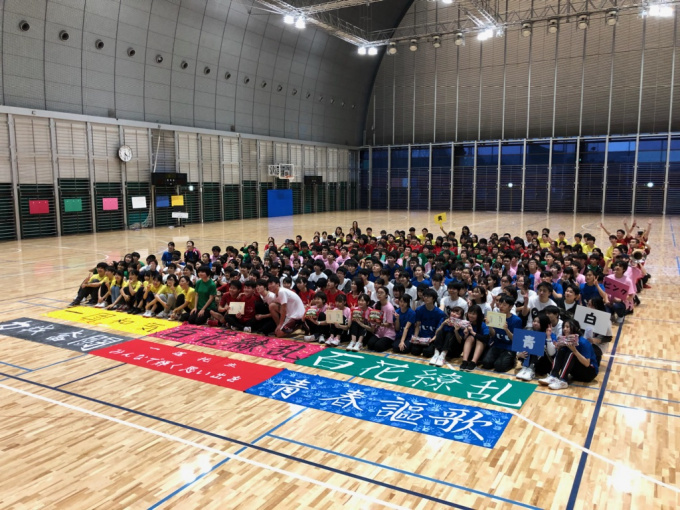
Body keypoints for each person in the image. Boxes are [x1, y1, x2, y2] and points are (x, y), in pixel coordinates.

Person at [538, 318, 600, 390]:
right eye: (564, 327)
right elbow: (561, 358)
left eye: (567, 327)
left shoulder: (583, 342)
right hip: (575, 373)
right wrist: (559, 348)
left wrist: (575, 351)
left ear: (575, 328)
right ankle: (554, 376)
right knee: (562, 351)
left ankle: (563, 381)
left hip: (589, 373)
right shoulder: (565, 340)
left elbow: (587, 364)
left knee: (572, 353)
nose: (564, 329)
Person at [481, 295, 521, 372]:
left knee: (499, 367)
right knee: (486, 363)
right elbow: (493, 335)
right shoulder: (496, 316)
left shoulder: (516, 320)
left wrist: (506, 330)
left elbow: (516, 340)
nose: (501, 307)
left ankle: (512, 360)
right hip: (497, 344)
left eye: (504, 305)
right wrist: (489, 326)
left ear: (510, 307)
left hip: (509, 347)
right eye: (500, 304)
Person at [411, 288, 446, 360]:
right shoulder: (419, 310)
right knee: (414, 351)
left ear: (433, 299)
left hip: (431, 338)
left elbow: (438, 330)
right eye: (425, 296)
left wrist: (433, 339)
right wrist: (415, 337)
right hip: (421, 338)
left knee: (427, 353)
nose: (426, 298)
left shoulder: (440, 313)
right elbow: (417, 325)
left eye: (428, 296)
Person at [457, 304, 490, 371]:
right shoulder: (466, 323)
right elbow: (461, 341)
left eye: (474, 314)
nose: (471, 315)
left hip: (481, 351)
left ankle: (473, 362)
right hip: (470, 351)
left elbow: (486, 339)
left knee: (479, 339)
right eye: (470, 313)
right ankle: (464, 361)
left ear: (478, 315)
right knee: (470, 338)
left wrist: (473, 333)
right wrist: (465, 335)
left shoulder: (483, 325)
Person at [365, 286, 396, 352]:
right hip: (379, 331)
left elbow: (389, 324)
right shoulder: (376, 305)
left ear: (386, 295)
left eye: (381, 293)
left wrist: (380, 323)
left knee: (378, 347)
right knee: (370, 345)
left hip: (388, 333)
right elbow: (373, 317)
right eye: (378, 293)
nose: (379, 294)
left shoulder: (390, 308)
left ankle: (391, 343)